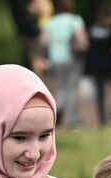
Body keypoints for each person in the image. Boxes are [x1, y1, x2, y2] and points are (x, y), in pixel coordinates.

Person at [41, 0, 87, 130]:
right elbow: (81, 40)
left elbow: (43, 41)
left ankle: (55, 116)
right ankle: (73, 120)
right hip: (71, 58)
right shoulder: (75, 20)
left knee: (61, 88)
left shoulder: (51, 22)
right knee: (72, 89)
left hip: (55, 60)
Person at [85, 5, 111, 127]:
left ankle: (102, 120)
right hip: (109, 65)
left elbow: (86, 45)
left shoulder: (92, 29)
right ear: (110, 17)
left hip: (95, 66)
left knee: (100, 94)